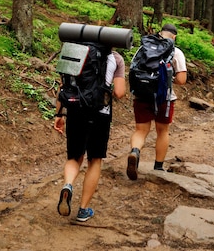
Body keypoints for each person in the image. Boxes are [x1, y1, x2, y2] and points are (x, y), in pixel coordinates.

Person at [53, 49, 126, 222]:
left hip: (75, 110)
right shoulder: (116, 58)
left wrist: (58, 115)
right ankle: (83, 210)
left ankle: (68, 184)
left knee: (73, 157)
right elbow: (120, 92)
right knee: (95, 159)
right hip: (100, 114)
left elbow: (64, 85)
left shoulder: (75, 50)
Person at [126, 23, 187, 179]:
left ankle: (135, 152)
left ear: (160, 33)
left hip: (141, 94)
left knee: (141, 130)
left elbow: (133, 70)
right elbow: (181, 79)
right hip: (164, 98)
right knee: (162, 131)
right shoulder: (176, 51)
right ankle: (158, 167)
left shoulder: (143, 48)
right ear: (174, 36)